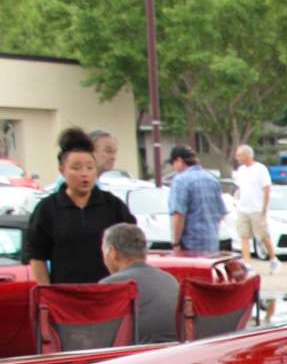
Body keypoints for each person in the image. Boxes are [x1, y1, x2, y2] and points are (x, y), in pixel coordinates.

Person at [24, 127, 135, 285]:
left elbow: (131, 249)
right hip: (64, 294)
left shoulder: (113, 205)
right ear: (62, 171)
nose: (84, 174)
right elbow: (37, 256)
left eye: (90, 167)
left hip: (107, 293)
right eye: (76, 168)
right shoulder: (47, 208)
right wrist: (47, 292)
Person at [98, 222, 180, 342]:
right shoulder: (169, 279)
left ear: (112, 252)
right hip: (178, 349)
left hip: (140, 352)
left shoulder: (110, 285)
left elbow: (99, 335)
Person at [231, 144, 279, 287]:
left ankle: (273, 259)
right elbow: (240, 188)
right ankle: (247, 264)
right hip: (243, 208)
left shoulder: (260, 169)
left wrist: (264, 210)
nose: (237, 158)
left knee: (263, 236)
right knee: (244, 236)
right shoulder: (241, 171)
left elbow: (266, 190)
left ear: (248, 155)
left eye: (239, 155)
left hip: (257, 209)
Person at [167, 145, 226, 255]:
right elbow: (221, 213)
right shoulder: (212, 180)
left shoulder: (180, 181)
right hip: (212, 244)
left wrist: (176, 243)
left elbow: (178, 215)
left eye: (172, 163)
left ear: (179, 160)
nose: (173, 167)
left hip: (190, 245)